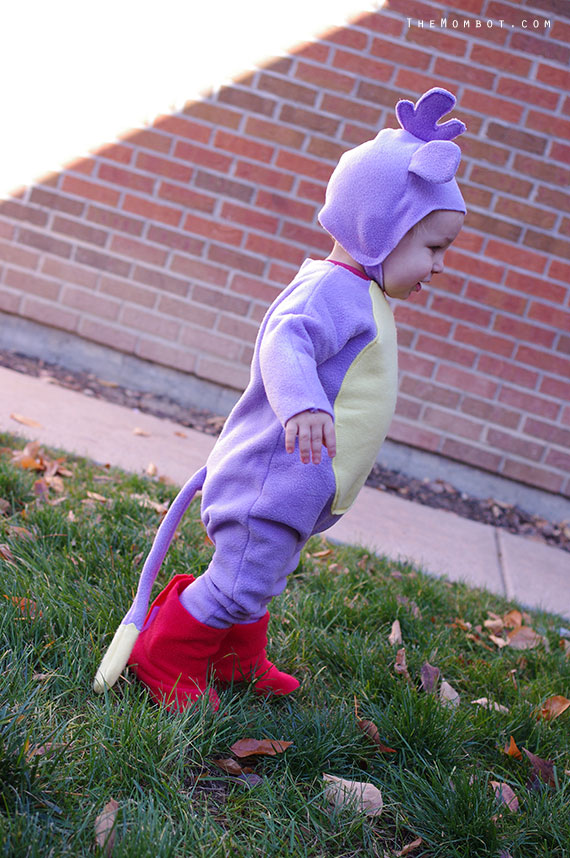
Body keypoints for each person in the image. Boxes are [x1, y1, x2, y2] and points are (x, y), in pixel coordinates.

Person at [93, 87, 466, 711]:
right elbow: (282, 343)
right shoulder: (328, 290)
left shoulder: (358, 293)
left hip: (298, 485)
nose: (438, 266)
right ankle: (168, 657)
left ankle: (236, 659)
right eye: (432, 248)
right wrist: (302, 404)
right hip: (269, 480)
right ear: (381, 230)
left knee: (261, 577)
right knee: (240, 580)